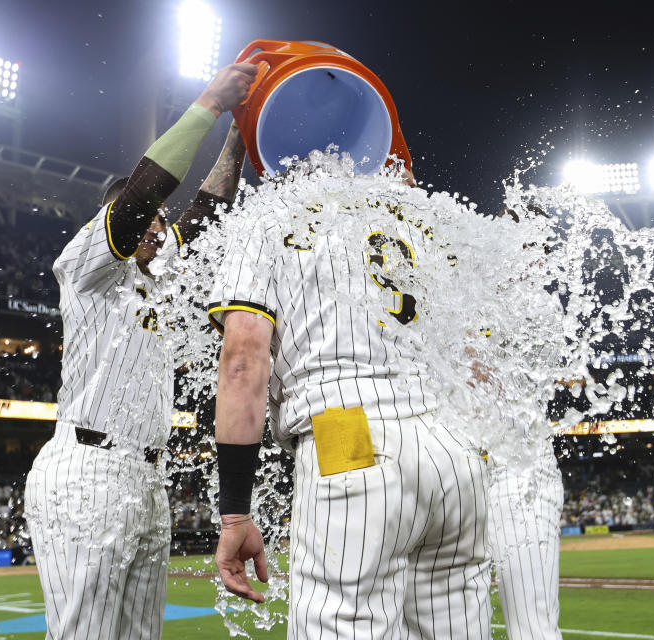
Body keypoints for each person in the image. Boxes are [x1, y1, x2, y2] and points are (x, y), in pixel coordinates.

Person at [23, 60, 255, 640]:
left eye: (158, 221)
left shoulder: (156, 275)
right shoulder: (88, 269)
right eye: (145, 219)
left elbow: (203, 215)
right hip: (87, 467)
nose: (157, 227)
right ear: (115, 225)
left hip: (146, 479)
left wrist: (237, 137)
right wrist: (207, 105)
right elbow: (144, 193)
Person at [207, 171, 492, 638]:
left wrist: (235, 510)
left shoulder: (271, 214)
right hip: (452, 447)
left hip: (349, 432)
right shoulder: (415, 219)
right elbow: (472, 353)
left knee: (342, 620)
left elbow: (242, 360)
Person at [486, 205, 564, 640]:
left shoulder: (537, 305)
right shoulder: (481, 295)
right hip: (470, 472)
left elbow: (477, 371)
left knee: (532, 627)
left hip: (521, 478)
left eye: (526, 240)